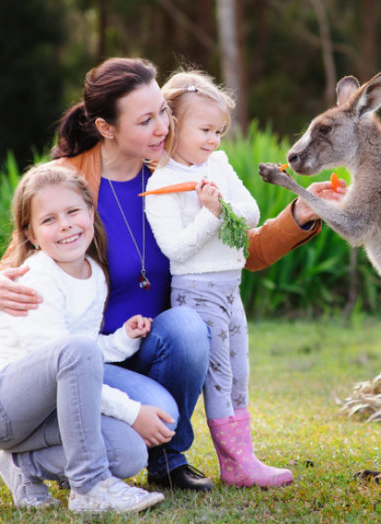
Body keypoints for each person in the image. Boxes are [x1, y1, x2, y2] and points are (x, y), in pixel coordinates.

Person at [0, 57, 340, 491]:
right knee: (136, 433)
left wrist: (298, 213)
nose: (163, 128)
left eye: (162, 111)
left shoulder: (175, 172)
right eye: (145, 120)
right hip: (91, 356)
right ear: (107, 128)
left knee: (187, 327)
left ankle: (168, 461)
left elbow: (243, 252)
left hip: (149, 343)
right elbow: (20, 266)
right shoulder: (67, 183)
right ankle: (61, 451)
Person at [0, 164, 165, 513]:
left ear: (90, 211)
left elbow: (82, 357)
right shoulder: (39, 276)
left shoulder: (93, 274)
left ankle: (23, 466)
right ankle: (90, 487)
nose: (66, 225)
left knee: (129, 452)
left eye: (72, 211)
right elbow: (69, 355)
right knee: (81, 358)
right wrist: (132, 411)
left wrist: (122, 340)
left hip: (46, 413)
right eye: (49, 219)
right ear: (31, 233)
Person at [143, 70, 289, 487]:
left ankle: (241, 460)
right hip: (196, 291)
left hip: (231, 287)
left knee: (240, 370)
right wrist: (211, 214)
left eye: (220, 132)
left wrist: (219, 206)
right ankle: (237, 464)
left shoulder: (218, 164)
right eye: (205, 129)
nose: (214, 140)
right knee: (219, 376)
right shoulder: (163, 184)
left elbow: (251, 212)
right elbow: (177, 249)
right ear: (172, 126)